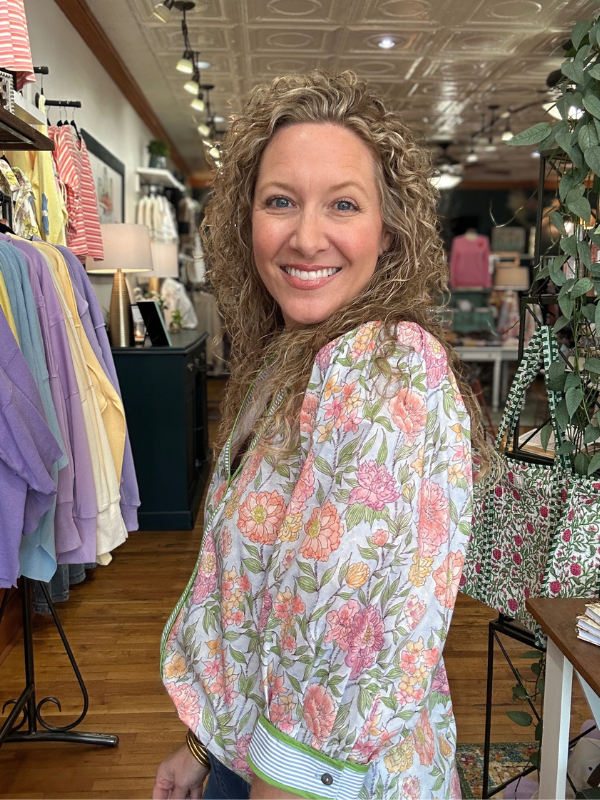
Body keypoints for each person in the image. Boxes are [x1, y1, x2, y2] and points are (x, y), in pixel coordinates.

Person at [153, 70, 489, 800]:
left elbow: (352, 620)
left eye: (343, 203)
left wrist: (287, 783)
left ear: (388, 227)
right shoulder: (292, 357)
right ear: (248, 220)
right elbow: (262, 598)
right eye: (281, 202)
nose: (306, 237)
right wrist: (205, 743)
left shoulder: (385, 367)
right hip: (261, 755)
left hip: (320, 779)